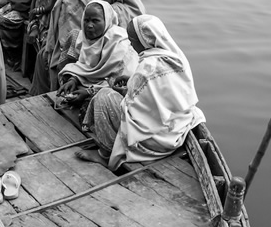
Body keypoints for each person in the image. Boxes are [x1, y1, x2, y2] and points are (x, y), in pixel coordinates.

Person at [76, 14, 205, 170]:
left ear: (143, 41)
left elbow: (132, 110)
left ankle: (105, 154)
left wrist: (123, 92)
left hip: (151, 143)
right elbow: (160, 93)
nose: (131, 45)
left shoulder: (147, 66)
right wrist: (131, 81)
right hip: (175, 133)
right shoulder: (176, 57)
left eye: (132, 41)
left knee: (103, 97)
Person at [56, 1, 139, 113]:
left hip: (114, 90)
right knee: (66, 80)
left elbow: (122, 83)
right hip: (93, 82)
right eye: (86, 20)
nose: (89, 25)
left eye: (95, 21)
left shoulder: (120, 44)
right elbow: (84, 67)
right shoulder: (84, 39)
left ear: (107, 21)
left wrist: (89, 92)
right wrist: (74, 79)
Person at [32, 0, 100, 93]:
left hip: (69, 42)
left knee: (43, 57)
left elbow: (60, 23)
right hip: (91, 43)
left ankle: (42, 92)